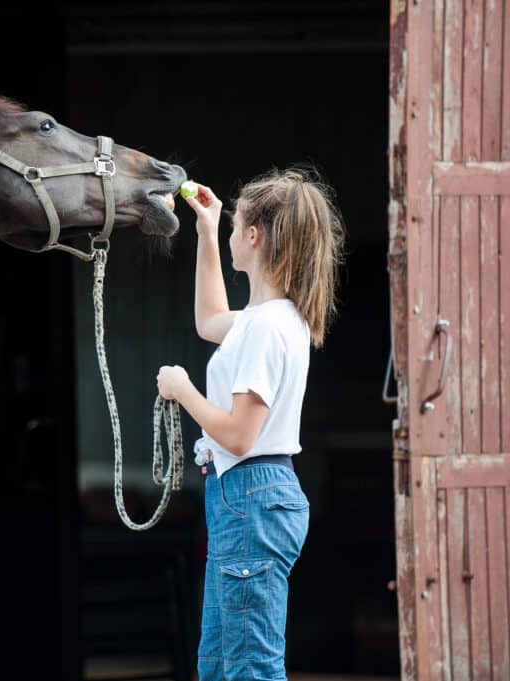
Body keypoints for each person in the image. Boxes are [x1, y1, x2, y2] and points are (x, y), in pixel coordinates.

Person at [156, 168, 344, 680]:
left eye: (236, 226)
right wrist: (208, 229)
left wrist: (181, 388)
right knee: (220, 664)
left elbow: (240, 434)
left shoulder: (266, 328)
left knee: (249, 668)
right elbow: (210, 319)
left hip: (250, 497)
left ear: (255, 237)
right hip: (247, 497)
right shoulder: (272, 318)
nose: (233, 235)